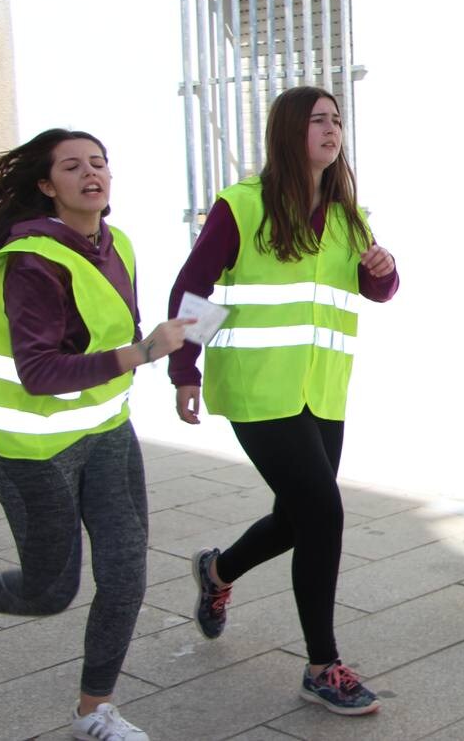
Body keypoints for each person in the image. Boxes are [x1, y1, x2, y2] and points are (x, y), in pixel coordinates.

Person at [167, 86, 398, 716]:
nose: (332, 129)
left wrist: (383, 268)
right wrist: (184, 368)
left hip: (322, 392)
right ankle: (322, 666)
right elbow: (195, 285)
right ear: (290, 132)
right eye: (318, 120)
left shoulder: (349, 215)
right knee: (323, 514)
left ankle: (217, 572)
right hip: (257, 389)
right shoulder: (243, 206)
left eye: (337, 120)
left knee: (298, 518)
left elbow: (380, 291)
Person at [0, 129, 193, 741]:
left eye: (99, 163)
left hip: (107, 435)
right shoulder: (31, 260)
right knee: (49, 592)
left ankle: (92, 710)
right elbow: (39, 371)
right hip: (36, 455)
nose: (91, 173)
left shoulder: (115, 242)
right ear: (47, 186)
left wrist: (154, 349)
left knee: (126, 573)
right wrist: (144, 352)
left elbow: (100, 340)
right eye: (72, 166)